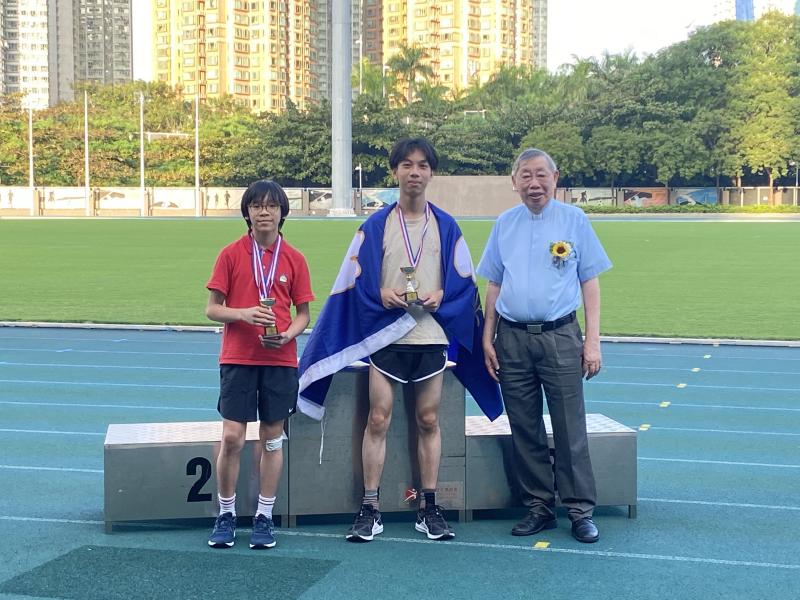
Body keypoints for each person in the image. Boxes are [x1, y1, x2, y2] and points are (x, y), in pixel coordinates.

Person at [297, 138, 502, 543]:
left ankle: (429, 505)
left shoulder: (446, 226)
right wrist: (382, 295)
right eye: (406, 165)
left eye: (422, 165)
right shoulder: (374, 227)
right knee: (378, 418)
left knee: (428, 420)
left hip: (430, 336)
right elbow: (353, 284)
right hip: (385, 336)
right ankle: (370, 506)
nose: (414, 172)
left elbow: (464, 286)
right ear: (394, 172)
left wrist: (442, 296)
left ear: (431, 173)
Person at [477, 148, 612, 544]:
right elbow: (494, 283)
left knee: (570, 425)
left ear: (556, 177)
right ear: (514, 180)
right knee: (524, 425)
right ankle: (538, 505)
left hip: (560, 335)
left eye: (541, 175)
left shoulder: (574, 219)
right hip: (513, 337)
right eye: (525, 176)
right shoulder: (505, 223)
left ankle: (579, 510)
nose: (533, 184)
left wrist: (592, 340)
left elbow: (590, 280)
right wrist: (488, 336)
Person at [205, 180, 314, 549]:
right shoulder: (231, 254)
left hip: (280, 359)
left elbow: (303, 314)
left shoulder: (295, 258)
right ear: (247, 212)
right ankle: (226, 513)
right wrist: (243, 314)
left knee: (271, 439)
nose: (264, 211)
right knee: (233, 437)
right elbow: (211, 309)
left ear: (283, 212)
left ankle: (264, 516)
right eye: (256, 205)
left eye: (271, 206)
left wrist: (287, 335)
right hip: (238, 357)